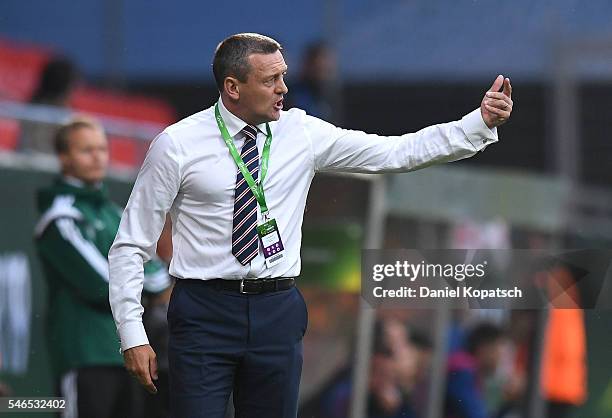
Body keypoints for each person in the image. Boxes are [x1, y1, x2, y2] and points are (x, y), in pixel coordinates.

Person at [108, 33, 513, 418]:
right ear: (232, 87)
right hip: (203, 312)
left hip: (277, 310)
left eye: (283, 75)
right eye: (270, 80)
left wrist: (476, 124)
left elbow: (395, 152)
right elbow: (130, 245)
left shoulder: (301, 131)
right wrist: (132, 333)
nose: (284, 87)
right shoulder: (176, 145)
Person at [34, 117, 171, 418]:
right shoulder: (61, 218)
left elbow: (158, 274)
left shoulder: (112, 211)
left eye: (102, 149)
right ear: (64, 158)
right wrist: (142, 280)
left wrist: (143, 278)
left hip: (130, 353)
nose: (98, 157)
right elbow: (104, 284)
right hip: (85, 354)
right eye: (86, 150)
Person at [444, 323, 505, 418]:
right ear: (484, 349)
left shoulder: (472, 372)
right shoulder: (462, 373)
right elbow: (476, 414)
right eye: (497, 351)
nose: (500, 358)